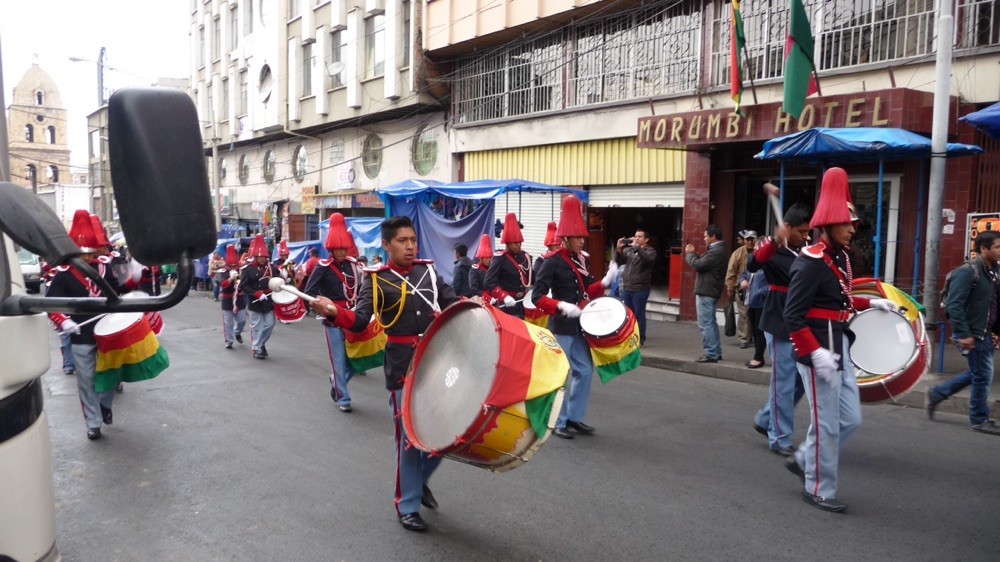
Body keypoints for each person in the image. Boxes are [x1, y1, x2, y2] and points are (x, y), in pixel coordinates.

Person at [311, 216, 461, 532]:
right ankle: (407, 505)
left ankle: (417, 481)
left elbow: (453, 303)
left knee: (448, 434)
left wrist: (473, 305)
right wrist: (336, 312)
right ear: (386, 245)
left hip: (436, 363)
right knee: (409, 440)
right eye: (402, 241)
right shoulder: (376, 280)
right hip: (402, 367)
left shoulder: (429, 272)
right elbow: (361, 320)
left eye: (413, 240)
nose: (410, 246)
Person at [783, 167, 899, 512]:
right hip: (819, 350)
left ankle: (804, 458)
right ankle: (819, 487)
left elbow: (841, 301)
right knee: (829, 425)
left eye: (853, 224)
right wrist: (815, 353)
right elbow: (793, 315)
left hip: (840, 345)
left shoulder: (841, 258)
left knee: (850, 419)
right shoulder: (810, 262)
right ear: (829, 224)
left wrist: (871, 302)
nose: (853, 229)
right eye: (847, 224)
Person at [533, 195, 616, 440]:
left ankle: (574, 418)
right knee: (560, 375)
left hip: (579, 325)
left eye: (583, 237)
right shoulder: (551, 262)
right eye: (578, 238)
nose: (582, 241)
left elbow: (587, 289)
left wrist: (605, 281)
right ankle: (558, 422)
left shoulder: (580, 260)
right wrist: (561, 306)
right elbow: (538, 297)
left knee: (585, 370)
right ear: (566, 238)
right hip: (561, 326)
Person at [45, 211, 128, 440]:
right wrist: (64, 321)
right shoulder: (62, 273)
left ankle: (104, 406)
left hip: (106, 333)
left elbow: (118, 293)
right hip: (80, 334)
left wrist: (132, 280)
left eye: (91, 253)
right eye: (84, 254)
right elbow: (51, 304)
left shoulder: (103, 267)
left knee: (110, 375)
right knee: (86, 381)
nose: (89, 258)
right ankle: (93, 422)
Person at [747, 203, 812, 456]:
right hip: (779, 319)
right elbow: (752, 265)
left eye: (808, 232)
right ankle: (780, 437)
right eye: (801, 231)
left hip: (805, 321)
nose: (806, 236)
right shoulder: (772, 248)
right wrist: (775, 240)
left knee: (800, 381)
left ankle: (765, 419)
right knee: (783, 382)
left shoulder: (807, 250)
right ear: (788, 228)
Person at [926, 230, 1000, 435]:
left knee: (978, 373)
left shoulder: (993, 270)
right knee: (983, 375)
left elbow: (994, 302)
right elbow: (954, 306)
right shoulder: (968, 272)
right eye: (997, 247)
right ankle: (979, 419)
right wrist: (963, 334)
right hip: (971, 332)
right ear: (984, 249)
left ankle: (938, 393)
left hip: (984, 331)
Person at [304, 213, 362, 413]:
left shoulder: (354, 265)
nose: (342, 251)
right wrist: (320, 306)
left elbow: (361, 290)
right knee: (338, 359)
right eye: (338, 248)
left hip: (353, 317)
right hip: (333, 317)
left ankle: (336, 380)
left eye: (344, 248)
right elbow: (309, 293)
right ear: (331, 248)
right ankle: (343, 398)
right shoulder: (323, 267)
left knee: (357, 360)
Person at [685, 225, 729, 363]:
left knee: (706, 323)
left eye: (705, 236)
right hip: (711, 290)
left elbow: (698, 265)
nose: (704, 239)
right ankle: (715, 351)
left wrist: (690, 254)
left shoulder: (717, 251)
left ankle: (712, 353)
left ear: (713, 237)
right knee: (711, 322)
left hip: (707, 291)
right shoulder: (717, 250)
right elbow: (704, 263)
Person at [485, 213, 532, 319]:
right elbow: (488, 282)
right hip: (506, 305)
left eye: (519, 242)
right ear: (507, 243)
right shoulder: (500, 258)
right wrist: (503, 296)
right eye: (515, 243)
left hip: (522, 304)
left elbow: (531, 278)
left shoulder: (526, 257)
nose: (518, 245)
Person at [239, 235, 278, 360]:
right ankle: (257, 348)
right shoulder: (248, 269)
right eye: (260, 257)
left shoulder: (271, 268)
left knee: (270, 324)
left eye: (264, 257)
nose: (262, 259)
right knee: (257, 327)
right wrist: (257, 294)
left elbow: (278, 280)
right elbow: (243, 287)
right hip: (255, 302)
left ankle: (260, 344)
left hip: (268, 301)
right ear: (255, 256)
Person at [615, 229, 656, 346]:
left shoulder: (650, 251)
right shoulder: (629, 250)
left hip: (640, 289)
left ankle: (640, 340)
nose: (636, 238)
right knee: (628, 316)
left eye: (639, 237)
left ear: (646, 239)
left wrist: (637, 248)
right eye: (635, 236)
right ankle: (629, 338)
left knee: (639, 315)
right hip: (627, 288)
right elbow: (618, 261)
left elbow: (649, 260)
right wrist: (619, 249)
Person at [726, 230, 757, 349]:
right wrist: (730, 288)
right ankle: (744, 338)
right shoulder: (738, 253)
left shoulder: (759, 251)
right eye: (747, 239)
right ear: (744, 240)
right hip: (741, 289)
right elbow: (731, 272)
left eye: (752, 239)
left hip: (756, 289)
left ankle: (752, 335)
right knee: (744, 313)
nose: (750, 242)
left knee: (754, 313)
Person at [741, 261, 769, 369]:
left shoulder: (768, 266)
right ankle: (757, 357)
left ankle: (758, 358)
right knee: (754, 330)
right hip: (750, 301)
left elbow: (771, 284)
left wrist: (759, 293)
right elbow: (744, 274)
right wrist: (743, 280)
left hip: (762, 302)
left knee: (759, 331)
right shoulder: (752, 265)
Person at [220, 245, 247, 349]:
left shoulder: (241, 271)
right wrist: (231, 278)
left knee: (242, 320)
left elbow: (242, 284)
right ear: (227, 266)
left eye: (235, 266)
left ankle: (237, 332)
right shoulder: (222, 272)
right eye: (231, 266)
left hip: (239, 299)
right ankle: (229, 341)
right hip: (227, 300)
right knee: (228, 323)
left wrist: (238, 277)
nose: (233, 268)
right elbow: (223, 284)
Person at [469, 234, 493, 301]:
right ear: (481, 258)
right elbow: (473, 289)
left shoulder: (493, 269)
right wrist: (488, 297)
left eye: (490, 257)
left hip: (494, 298)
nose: (489, 260)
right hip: (481, 299)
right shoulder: (474, 270)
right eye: (486, 258)